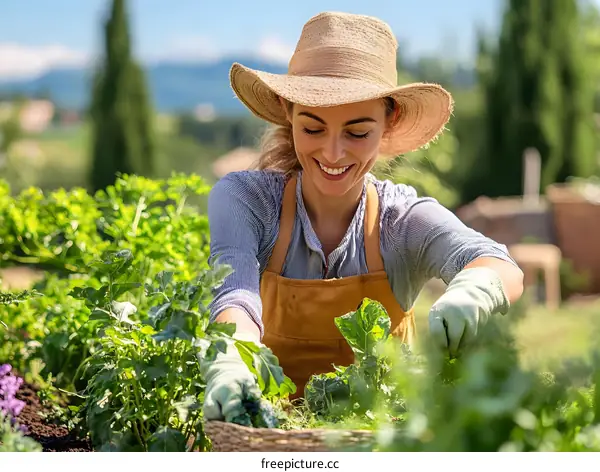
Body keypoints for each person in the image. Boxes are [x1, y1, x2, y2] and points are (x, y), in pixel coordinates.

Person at [201, 11, 524, 423]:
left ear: (388, 121)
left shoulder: (400, 220)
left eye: (357, 132)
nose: (333, 154)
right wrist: (231, 358)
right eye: (313, 129)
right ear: (287, 110)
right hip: (265, 436)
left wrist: (476, 290)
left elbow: (498, 262)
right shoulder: (247, 201)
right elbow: (235, 295)